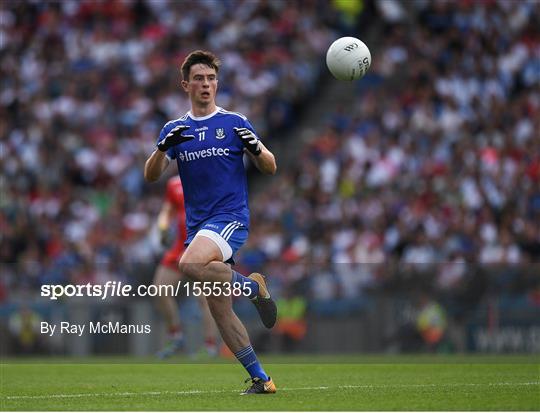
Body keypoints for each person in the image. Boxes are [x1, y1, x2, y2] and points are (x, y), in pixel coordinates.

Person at [144, 50, 277, 394]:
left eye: (211, 78)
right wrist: (161, 149)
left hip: (230, 219)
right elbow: (151, 175)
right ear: (185, 84)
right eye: (199, 79)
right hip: (199, 228)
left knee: (188, 264)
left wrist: (258, 150)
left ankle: (252, 288)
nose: (206, 84)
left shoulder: (235, 123)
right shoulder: (176, 129)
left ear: (217, 83)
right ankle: (261, 379)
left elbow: (270, 166)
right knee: (220, 311)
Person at [153, 175, 219, 359]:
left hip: (203, 245)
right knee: (160, 289)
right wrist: (163, 227)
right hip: (179, 246)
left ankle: (210, 345)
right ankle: (175, 337)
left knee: (205, 299)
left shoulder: (211, 180)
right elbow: (167, 210)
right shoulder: (174, 183)